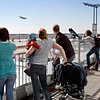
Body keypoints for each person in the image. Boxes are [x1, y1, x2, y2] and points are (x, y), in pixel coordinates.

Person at [26, 28, 67, 100]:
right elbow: (61, 48)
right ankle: (48, 98)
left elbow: (28, 53)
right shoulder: (50, 41)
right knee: (44, 85)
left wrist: (27, 52)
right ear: (46, 34)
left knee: (35, 86)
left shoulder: (36, 42)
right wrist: (65, 59)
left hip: (34, 66)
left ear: (39, 35)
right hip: (43, 66)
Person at [52, 24, 75, 89]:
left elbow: (60, 51)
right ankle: (67, 84)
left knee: (62, 70)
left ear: (53, 30)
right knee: (64, 70)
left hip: (68, 56)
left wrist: (54, 60)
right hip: (71, 54)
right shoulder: (62, 35)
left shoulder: (58, 38)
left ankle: (63, 85)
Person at [0, 27, 17, 100]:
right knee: (9, 92)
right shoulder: (12, 45)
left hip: (1, 73)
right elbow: (15, 48)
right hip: (12, 72)